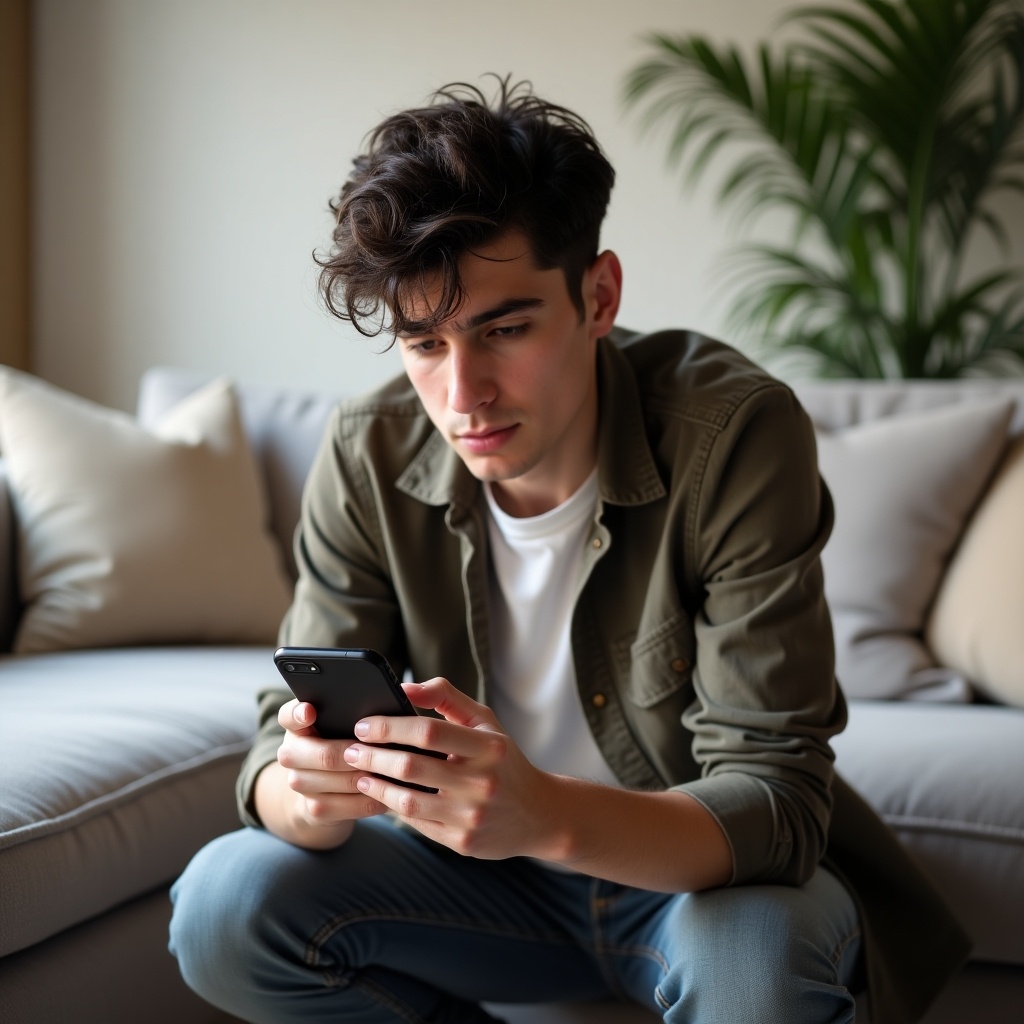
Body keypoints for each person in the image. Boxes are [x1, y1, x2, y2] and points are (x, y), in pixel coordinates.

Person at [169, 78, 968, 1024]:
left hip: (691, 881)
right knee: (224, 904)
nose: (463, 393)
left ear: (599, 295)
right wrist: (304, 793)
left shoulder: (734, 433)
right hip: (471, 884)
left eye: (503, 329)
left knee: (759, 978)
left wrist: (540, 812)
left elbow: (779, 801)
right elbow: (277, 743)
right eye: (423, 343)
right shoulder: (366, 449)